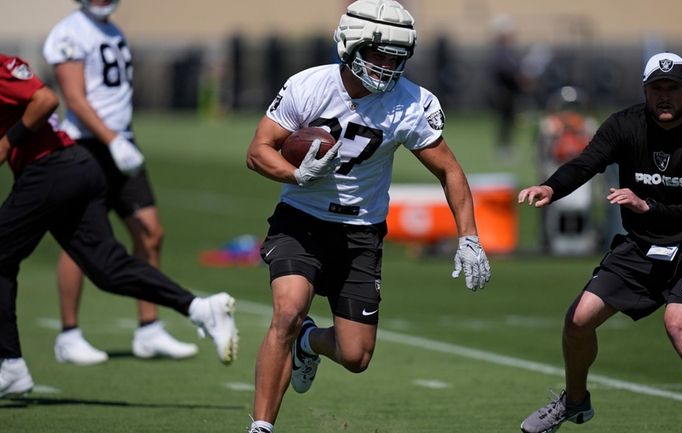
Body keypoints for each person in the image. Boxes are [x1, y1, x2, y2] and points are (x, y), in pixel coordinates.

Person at [244, 1, 491, 432]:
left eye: (396, 57)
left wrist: (468, 237)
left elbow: (449, 170)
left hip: (361, 232)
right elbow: (258, 151)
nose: (387, 66)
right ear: (350, 45)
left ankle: (308, 342)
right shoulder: (309, 86)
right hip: (301, 218)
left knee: (356, 356)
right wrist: (296, 174)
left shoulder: (411, 102)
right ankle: (261, 427)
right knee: (287, 311)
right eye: (379, 54)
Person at [518, 52, 682, 433]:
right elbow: (587, 161)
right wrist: (551, 186)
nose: (665, 96)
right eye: (657, 88)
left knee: (679, 324)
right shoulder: (625, 125)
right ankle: (574, 402)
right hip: (644, 240)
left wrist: (645, 205)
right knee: (577, 320)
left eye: (673, 88)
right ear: (645, 91)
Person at [0, 53, 238, 398]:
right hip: (74, 168)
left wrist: (9, 142)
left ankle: (10, 364)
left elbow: (46, 99)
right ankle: (200, 308)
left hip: (51, 168)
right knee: (107, 269)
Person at [42, 0, 196, 364]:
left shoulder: (113, 29)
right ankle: (69, 334)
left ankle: (149, 328)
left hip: (121, 143)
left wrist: (119, 140)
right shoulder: (69, 31)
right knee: (78, 239)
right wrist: (111, 140)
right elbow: (75, 99)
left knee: (150, 232)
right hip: (87, 145)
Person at [487, 15, 524, 162]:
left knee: (509, 121)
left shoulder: (506, 50)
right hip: (503, 92)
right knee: (504, 122)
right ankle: (503, 149)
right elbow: (505, 70)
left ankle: (506, 147)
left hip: (509, 91)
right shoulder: (501, 51)